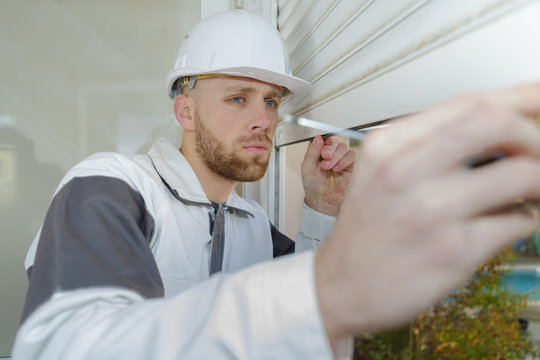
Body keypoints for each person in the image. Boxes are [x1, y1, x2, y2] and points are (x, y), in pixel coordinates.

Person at [12, 9, 540, 360]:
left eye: (271, 101)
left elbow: (304, 333)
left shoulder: (252, 224)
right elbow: (63, 345)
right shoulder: (112, 185)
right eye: (238, 98)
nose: (264, 119)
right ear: (184, 110)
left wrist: (323, 209)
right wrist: (329, 288)